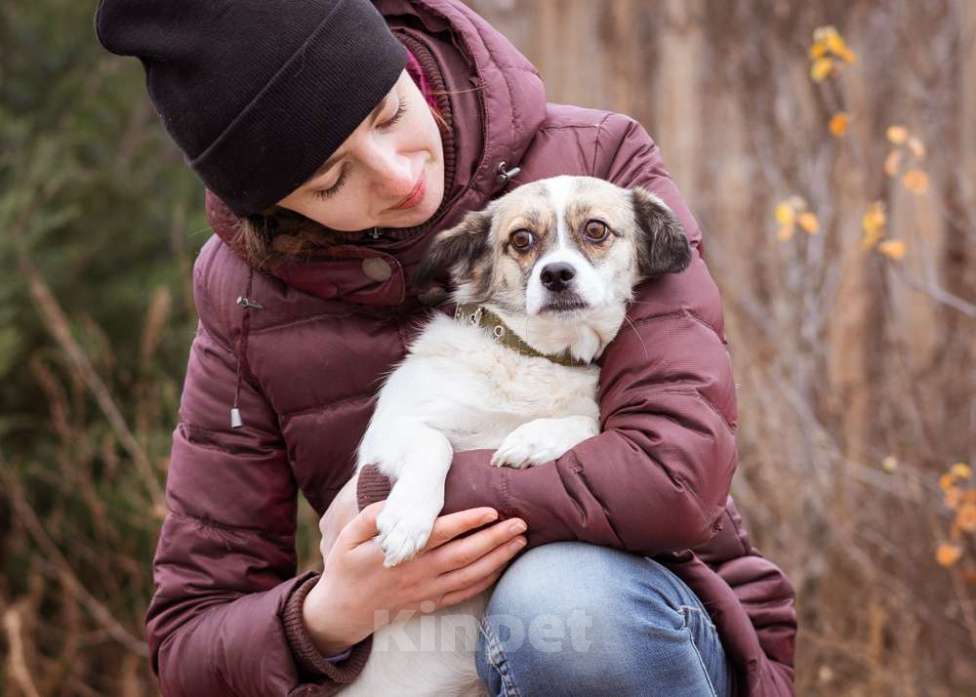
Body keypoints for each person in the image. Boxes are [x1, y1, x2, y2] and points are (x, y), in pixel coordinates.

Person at [94, 1, 797, 695]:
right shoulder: (242, 296)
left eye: (392, 112)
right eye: (333, 178)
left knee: (561, 602)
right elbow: (190, 637)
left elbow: (674, 475)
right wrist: (329, 614)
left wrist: (388, 491)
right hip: (423, 663)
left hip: (641, 630)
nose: (400, 177)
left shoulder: (596, 164)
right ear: (278, 211)